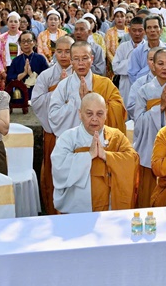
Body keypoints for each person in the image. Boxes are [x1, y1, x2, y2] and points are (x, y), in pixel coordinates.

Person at [51, 93, 139, 213]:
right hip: (78, 211)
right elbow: (59, 167)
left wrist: (106, 156)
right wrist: (89, 156)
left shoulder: (116, 136)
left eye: (99, 113)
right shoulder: (68, 138)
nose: (94, 118)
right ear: (80, 114)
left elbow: (132, 160)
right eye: (89, 113)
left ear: (106, 114)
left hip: (110, 209)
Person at [131, 48, 166, 207]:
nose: (165, 67)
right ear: (153, 66)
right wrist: (160, 108)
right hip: (150, 149)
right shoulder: (144, 91)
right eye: (160, 63)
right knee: (149, 196)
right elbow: (138, 122)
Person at [32, 36, 74, 214]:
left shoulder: (81, 74)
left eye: (67, 52)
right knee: (52, 174)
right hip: (53, 135)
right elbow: (36, 102)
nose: (63, 56)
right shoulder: (46, 75)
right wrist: (59, 89)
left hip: (76, 135)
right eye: (59, 51)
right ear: (54, 52)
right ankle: (53, 211)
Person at [49, 41, 126, 135]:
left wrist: (91, 101)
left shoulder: (105, 83)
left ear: (92, 59)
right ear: (71, 61)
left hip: (100, 139)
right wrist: (76, 101)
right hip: (72, 141)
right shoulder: (63, 86)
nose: (81, 63)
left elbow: (119, 109)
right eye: (76, 59)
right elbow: (53, 116)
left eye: (85, 58)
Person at [128, 15, 166, 83]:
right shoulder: (137, 52)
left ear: (161, 30)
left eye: (155, 27)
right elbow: (133, 77)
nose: (152, 30)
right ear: (145, 31)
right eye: (149, 27)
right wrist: (151, 67)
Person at [112, 16, 145, 104]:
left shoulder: (148, 48)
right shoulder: (123, 47)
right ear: (129, 31)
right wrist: (133, 61)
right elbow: (115, 68)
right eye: (134, 30)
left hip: (144, 84)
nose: (137, 33)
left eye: (140, 30)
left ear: (145, 31)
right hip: (126, 84)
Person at [6, 31, 49, 97]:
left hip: (38, 93)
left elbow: (47, 77)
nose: (26, 44)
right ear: (20, 44)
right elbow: (9, 78)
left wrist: (31, 74)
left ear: (34, 42)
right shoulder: (16, 61)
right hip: (20, 94)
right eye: (23, 42)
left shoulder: (41, 59)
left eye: (29, 41)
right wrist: (24, 73)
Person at [0, 12, 22, 88]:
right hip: (7, 68)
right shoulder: (1, 38)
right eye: (11, 21)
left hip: (21, 68)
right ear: (7, 23)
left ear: (19, 23)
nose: (13, 24)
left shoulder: (23, 36)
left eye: (15, 21)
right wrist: (2, 71)